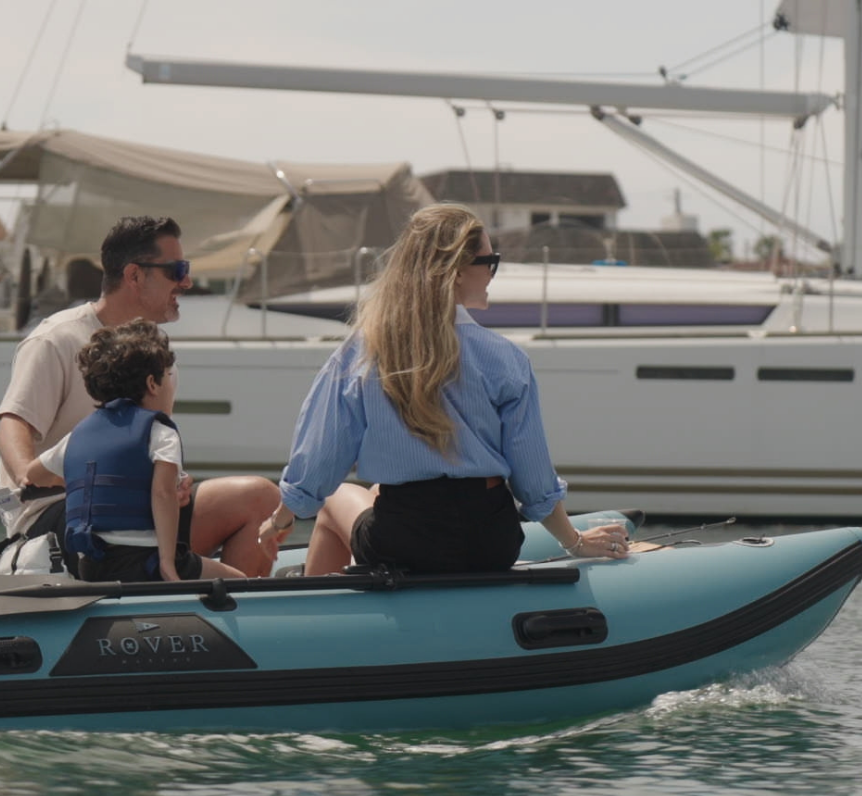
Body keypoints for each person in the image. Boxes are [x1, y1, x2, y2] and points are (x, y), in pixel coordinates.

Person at [257, 203, 630, 576]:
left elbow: (319, 463)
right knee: (375, 496)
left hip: (404, 539)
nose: (492, 274)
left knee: (335, 498)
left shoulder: (363, 351)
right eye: (489, 261)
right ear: (455, 272)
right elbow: (533, 481)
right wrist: (575, 541)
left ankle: (321, 607)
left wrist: (279, 522)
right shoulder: (505, 358)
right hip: (492, 541)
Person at [0, 215, 281, 576]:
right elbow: (11, 428)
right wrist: (30, 478)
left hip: (139, 509)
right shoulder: (57, 339)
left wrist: (175, 481)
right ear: (134, 275)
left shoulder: (159, 360)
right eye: (177, 270)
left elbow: (152, 449)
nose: (187, 282)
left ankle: (219, 624)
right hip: (58, 518)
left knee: (260, 498)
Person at [25, 321, 245, 583]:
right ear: (153, 383)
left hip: (92, 565)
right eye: (167, 376)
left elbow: (34, 475)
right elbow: (162, 494)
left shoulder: (77, 436)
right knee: (238, 580)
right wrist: (167, 562)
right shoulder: (160, 433)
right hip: (145, 561)